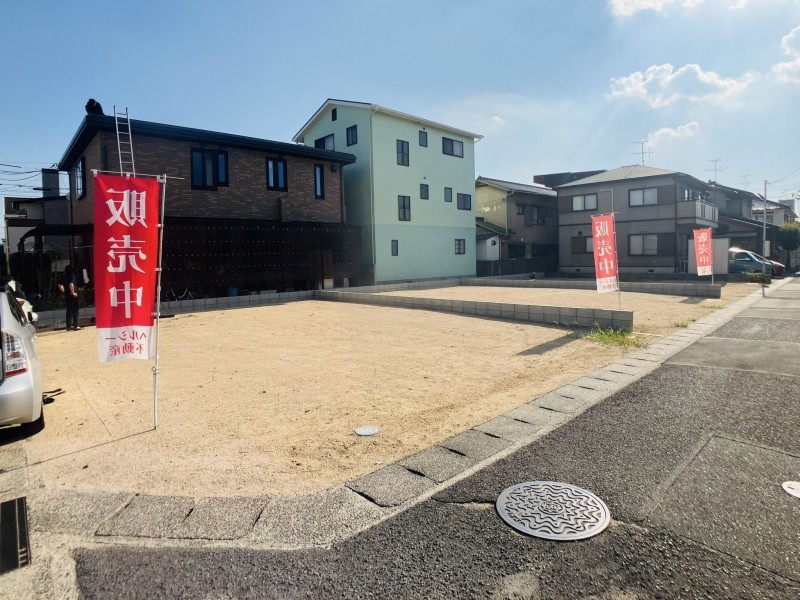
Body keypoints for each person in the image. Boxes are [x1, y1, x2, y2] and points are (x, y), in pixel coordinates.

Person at [61, 265, 81, 331]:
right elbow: (71, 284)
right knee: (75, 310)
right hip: (72, 295)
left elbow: (60, 285)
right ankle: (76, 325)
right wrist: (73, 292)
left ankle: (68, 326)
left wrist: (64, 291)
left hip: (67, 295)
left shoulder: (64, 276)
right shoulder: (72, 276)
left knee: (69, 310)